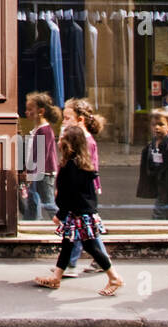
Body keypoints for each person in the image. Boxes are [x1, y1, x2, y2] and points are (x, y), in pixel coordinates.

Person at [33, 126, 123, 296]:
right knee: (68, 244)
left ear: (69, 144)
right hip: (83, 212)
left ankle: (114, 277)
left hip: (78, 214)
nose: (58, 141)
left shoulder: (70, 167)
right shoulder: (82, 165)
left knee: (91, 246)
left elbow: (69, 194)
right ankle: (57, 277)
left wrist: (60, 214)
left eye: (62, 139)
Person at [62, 99, 107, 275]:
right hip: (82, 191)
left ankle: (70, 264)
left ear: (80, 119)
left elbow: (85, 169)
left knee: (81, 228)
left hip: (83, 192)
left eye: (67, 118)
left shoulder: (86, 141)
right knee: (86, 229)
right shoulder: (79, 138)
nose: (64, 122)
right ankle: (100, 260)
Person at [20, 94, 59, 220]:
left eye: (30, 109)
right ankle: (33, 220)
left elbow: (42, 154)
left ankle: (63, 222)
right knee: (33, 200)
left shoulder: (44, 130)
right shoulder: (38, 129)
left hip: (44, 173)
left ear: (41, 111)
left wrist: (32, 173)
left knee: (48, 202)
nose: (27, 112)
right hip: (37, 172)